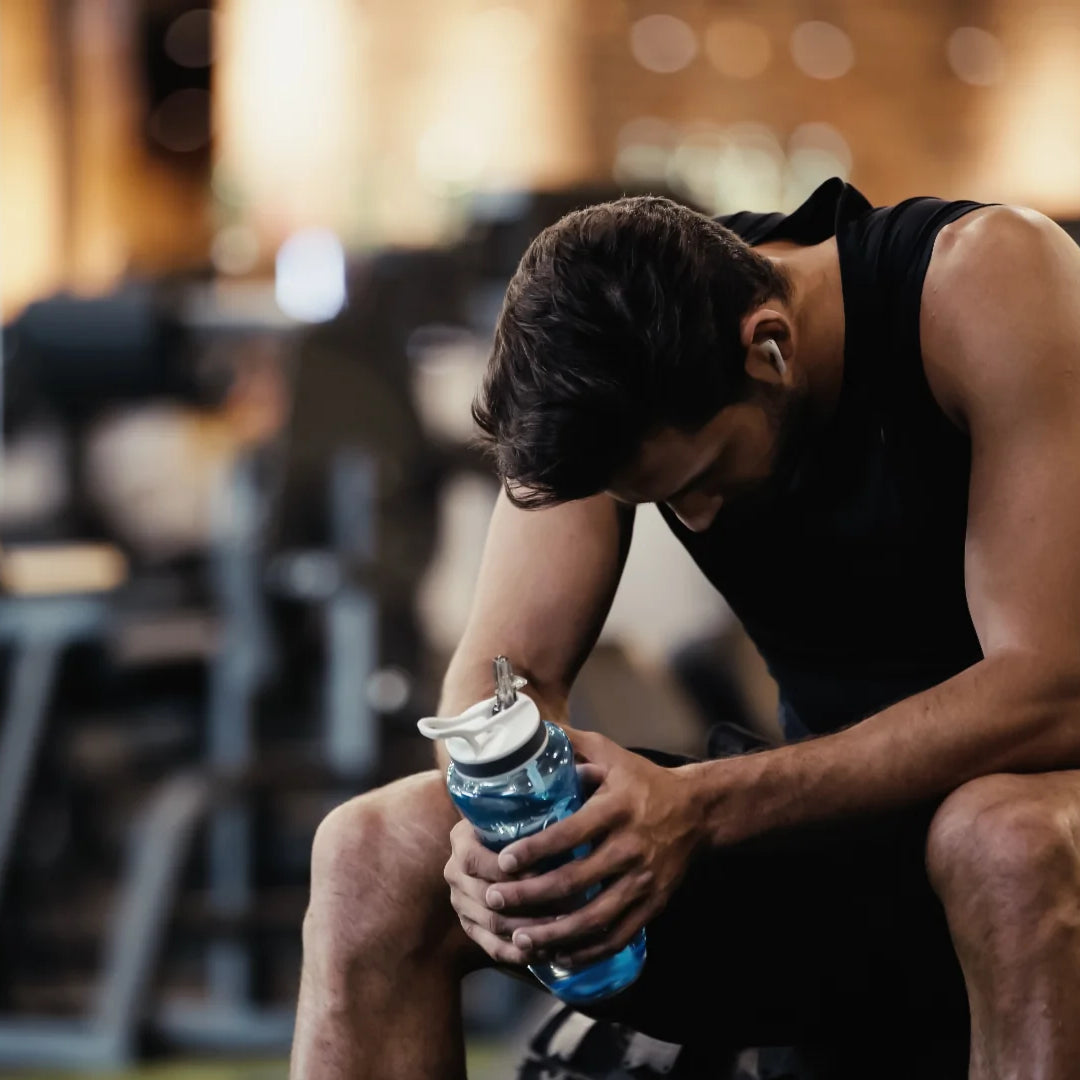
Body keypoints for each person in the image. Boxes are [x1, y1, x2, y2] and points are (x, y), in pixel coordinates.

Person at [289, 177, 1080, 1079]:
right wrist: (498, 828)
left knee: (1001, 836)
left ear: (769, 349)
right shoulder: (604, 362)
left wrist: (704, 804)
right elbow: (506, 674)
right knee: (373, 853)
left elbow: (1054, 688)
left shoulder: (983, 280)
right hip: (830, 823)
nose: (694, 515)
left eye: (701, 477)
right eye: (658, 500)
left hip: (1042, 811)